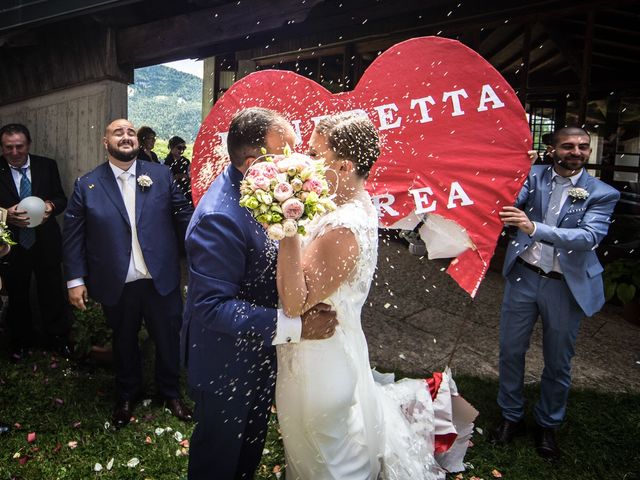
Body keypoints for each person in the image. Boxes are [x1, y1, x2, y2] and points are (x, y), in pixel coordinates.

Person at [275, 112, 474, 479]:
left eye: (317, 155)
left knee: (326, 454)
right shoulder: (350, 202)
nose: (308, 160)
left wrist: (286, 225)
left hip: (320, 355)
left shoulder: (343, 229)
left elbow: (294, 303)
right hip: (333, 343)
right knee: (317, 446)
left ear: (345, 164)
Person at [182, 107, 338, 480]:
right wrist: (296, 326)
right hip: (225, 364)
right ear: (253, 163)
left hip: (260, 356)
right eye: (286, 153)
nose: (297, 161)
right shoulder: (219, 218)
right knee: (218, 462)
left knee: (247, 452)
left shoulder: (264, 191)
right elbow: (212, 308)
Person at [493, 127, 620, 459]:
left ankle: (547, 424)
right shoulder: (532, 177)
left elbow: (588, 237)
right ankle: (510, 415)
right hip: (524, 277)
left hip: (565, 286)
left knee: (558, 361)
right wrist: (515, 171)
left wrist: (533, 228)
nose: (576, 151)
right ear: (552, 150)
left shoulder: (602, 192)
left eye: (582, 147)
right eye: (568, 146)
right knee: (510, 351)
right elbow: (505, 203)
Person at [63, 119, 194, 428]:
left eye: (130, 132)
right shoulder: (87, 185)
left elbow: (184, 218)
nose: (125, 136)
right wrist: (75, 280)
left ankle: (171, 392)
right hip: (117, 282)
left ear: (138, 141)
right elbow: (73, 237)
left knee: (167, 339)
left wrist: (204, 255)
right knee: (123, 341)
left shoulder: (161, 176)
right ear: (105, 143)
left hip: (159, 277)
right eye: (117, 132)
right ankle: (126, 395)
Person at [0, 123, 72, 361]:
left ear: (28, 144)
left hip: (46, 242)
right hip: (12, 245)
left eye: (19, 146)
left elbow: (61, 198)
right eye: (8, 147)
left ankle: (58, 339)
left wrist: (51, 206)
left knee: (52, 292)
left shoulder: (46, 165)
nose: (14, 152)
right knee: (18, 295)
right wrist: (5, 215)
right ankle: (20, 342)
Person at [164, 136, 192, 204]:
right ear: (171, 147)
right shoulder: (167, 162)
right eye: (179, 148)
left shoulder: (186, 161)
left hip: (186, 192)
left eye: (184, 148)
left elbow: (190, 175)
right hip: (172, 193)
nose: (181, 150)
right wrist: (177, 176)